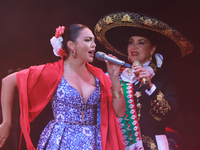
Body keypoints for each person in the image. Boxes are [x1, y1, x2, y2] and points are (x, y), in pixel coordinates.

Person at [0, 24, 126, 150]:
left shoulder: (99, 76)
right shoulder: (53, 71)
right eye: (88, 40)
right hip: (61, 140)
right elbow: (8, 81)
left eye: (93, 41)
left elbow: (120, 112)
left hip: (93, 141)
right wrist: (6, 123)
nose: (94, 45)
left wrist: (114, 78)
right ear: (71, 45)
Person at [94, 12, 193, 150]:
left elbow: (171, 115)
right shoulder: (116, 76)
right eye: (131, 42)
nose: (134, 47)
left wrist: (150, 86)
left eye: (141, 43)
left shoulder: (163, 78)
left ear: (152, 49)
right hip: (120, 145)